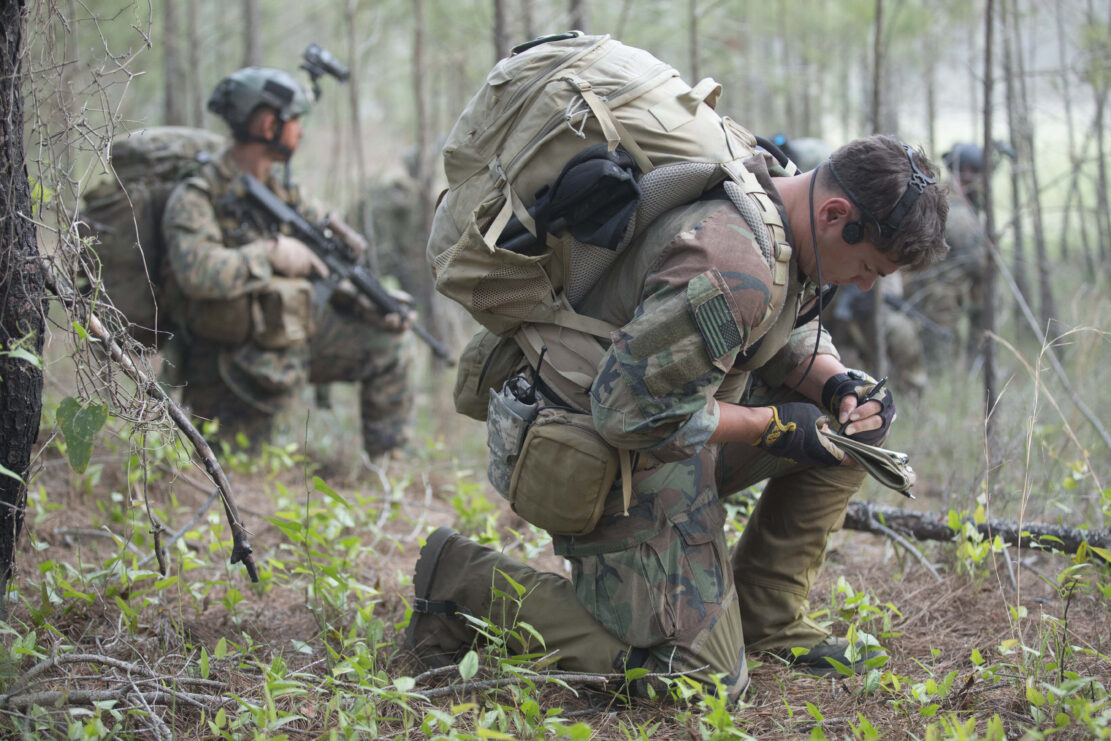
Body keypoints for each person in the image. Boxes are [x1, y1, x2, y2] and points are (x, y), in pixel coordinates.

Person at [407, 134, 948, 702]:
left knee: (853, 434)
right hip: (594, 446)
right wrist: (775, 427)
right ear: (836, 214)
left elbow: (786, 321)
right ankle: (460, 579)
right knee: (699, 683)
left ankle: (768, 615)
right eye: (867, 267)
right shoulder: (732, 262)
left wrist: (835, 382)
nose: (862, 285)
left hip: (663, 423)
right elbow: (630, 415)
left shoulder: (778, 207)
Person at [161, 67, 414, 457]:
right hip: (229, 362)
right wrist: (271, 253)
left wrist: (366, 302)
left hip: (289, 340)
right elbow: (199, 273)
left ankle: (388, 472)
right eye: (295, 120)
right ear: (267, 124)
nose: (301, 130)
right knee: (241, 476)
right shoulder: (198, 195)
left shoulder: (287, 196)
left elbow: (330, 264)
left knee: (389, 343)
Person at [903, 142, 992, 360]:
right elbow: (979, 265)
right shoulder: (959, 212)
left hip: (924, 293)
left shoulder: (940, 195)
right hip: (938, 300)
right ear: (969, 173)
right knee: (940, 362)